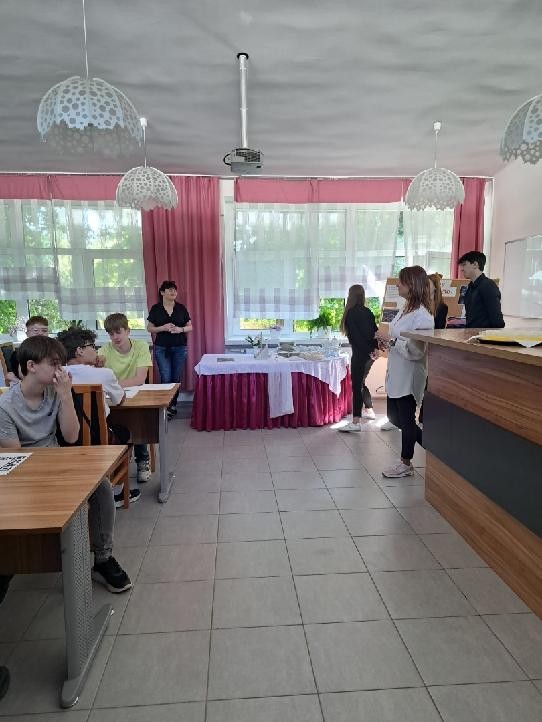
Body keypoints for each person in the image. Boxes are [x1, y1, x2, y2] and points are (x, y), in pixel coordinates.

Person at [0, 336, 131, 593]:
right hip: (25, 470)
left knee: (102, 487)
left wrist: (66, 396)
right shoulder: (6, 406)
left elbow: (71, 436)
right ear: (31, 366)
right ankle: (12, 559)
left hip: (57, 460)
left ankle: (103, 558)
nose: (60, 370)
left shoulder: (55, 391)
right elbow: (15, 455)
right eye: (54, 364)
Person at [57, 326, 140, 508]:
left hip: (63, 440)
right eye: (92, 346)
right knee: (125, 433)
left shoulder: (55, 375)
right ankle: (117, 492)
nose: (96, 350)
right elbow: (120, 399)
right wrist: (99, 371)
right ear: (79, 350)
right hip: (97, 440)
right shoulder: (103, 373)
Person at [377, 266, 434, 478]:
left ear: (412, 285)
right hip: (397, 372)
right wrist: (385, 341)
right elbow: (396, 337)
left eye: (401, 282)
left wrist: (391, 340)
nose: (397, 285)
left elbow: (416, 351)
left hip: (409, 375)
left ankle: (405, 463)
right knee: (394, 417)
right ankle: (433, 447)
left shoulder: (423, 317)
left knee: (407, 420)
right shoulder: (405, 309)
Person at [98, 313, 153, 483]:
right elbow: (98, 375)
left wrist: (113, 385)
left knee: (138, 420)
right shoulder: (104, 350)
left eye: (118, 332)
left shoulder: (141, 346)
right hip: (113, 398)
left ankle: (142, 460)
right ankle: (118, 461)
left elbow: (140, 379)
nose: (115, 337)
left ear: (128, 331)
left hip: (135, 395)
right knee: (110, 422)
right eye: (111, 334)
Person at [146, 280, 192, 419]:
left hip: (179, 347)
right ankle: (165, 405)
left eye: (175, 290)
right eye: (170, 289)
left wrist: (180, 329)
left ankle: (173, 405)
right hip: (162, 348)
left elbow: (190, 326)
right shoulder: (156, 308)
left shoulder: (181, 308)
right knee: (165, 376)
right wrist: (163, 328)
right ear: (162, 292)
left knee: (175, 377)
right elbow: (150, 328)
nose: (173, 292)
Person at [338, 284, 378, 432]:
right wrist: (374, 350)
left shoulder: (350, 313)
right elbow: (374, 332)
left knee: (356, 385)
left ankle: (355, 422)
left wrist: (368, 351)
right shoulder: (368, 312)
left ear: (350, 296)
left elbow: (356, 338)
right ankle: (369, 409)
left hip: (360, 354)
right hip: (369, 355)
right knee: (361, 382)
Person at [458, 250, 505, 328]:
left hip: (484, 334)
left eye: (464, 265)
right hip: (471, 332)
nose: (461, 269)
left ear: (475, 265)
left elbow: (497, 320)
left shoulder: (488, 286)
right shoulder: (471, 286)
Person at [5, 315, 49, 385]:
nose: (40, 333)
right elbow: (22, 376)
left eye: (44, 330)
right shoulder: (19, 354)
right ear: (27, 333)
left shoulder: (52, 351)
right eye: (35, 330)